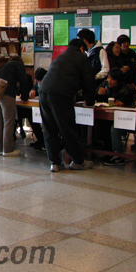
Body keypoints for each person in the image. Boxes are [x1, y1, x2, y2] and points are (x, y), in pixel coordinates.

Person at [39, 38, 96, 172]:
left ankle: (54, 163)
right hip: (60, 95)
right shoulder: (82, 58)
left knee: (49, 129)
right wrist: (90, 102)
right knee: (67, 129)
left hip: (43, 92)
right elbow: (89, 83)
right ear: (82, 48)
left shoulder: (61, 57)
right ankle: (77, 161)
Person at [95, 68, 136, 165]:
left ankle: (114, 153)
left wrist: (123, 103)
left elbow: (130, 104)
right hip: (105, 115)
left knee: (110, 127)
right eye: (109, 78)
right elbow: (95, 98)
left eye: (113, 79)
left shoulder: (125, 90)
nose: (109, 81)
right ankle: (102, 150)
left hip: (120, 118)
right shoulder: (104, 85)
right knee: (98, 123)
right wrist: (98, 92)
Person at [0, 57, 30, 156]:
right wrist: (25, 97)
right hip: (7, 95)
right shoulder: (19, 66)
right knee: (8, 122)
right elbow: (23, 82)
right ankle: (8, 150)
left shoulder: (2, 66)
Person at [27, 67, 47, 151]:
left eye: (39, 81)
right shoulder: (38, 82)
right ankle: (40, 138)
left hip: (47, 107)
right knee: (30, 115)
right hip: (37, 105)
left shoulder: (49, 82)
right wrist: (33, 90)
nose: (38, 82)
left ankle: (46, 142)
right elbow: (35, 87)